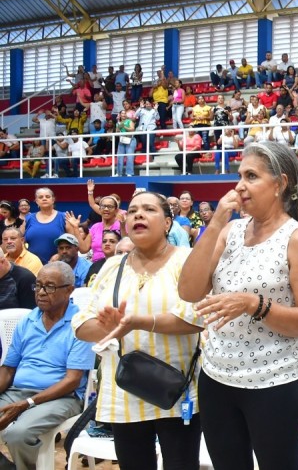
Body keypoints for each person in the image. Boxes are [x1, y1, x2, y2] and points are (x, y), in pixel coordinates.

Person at [178, 142, 298, 470]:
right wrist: (216, 223)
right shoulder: (229, 231)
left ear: (280, 184)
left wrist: (253, 303)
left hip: (274, 383)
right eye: (240, 175)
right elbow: (188, 290)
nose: (240, 185)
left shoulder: (297, 238)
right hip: (217, 379)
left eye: (251, 176)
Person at [73, 191, 204, 470]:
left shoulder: (187, 260)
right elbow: (81, 324)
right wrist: (107, 328)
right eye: (132, 211)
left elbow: (196, 318)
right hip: (124, 390)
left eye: (148, 209)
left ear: (167, 223)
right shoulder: (112, 267)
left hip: (176, 389)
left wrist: (136, 322)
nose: (138, 215)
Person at [0, 261, 94, 470]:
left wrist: (28, 403)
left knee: (17, 434)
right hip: (17, 392)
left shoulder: (80, 324)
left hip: (62, 397)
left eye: (50, 287)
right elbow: (8, 369)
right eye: (38, 285)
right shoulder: (28, 320)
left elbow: (72, 380)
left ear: (69, 290)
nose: (41, 292)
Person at [65, 196, 121, 263]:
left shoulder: (122, 225)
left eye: (110, 206)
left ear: (116, 210)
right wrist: (76, 227)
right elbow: (83, 249)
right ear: (99, 209)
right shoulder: (95, 227)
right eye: (103, 206)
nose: (106, 209)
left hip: (116, 264)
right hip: (96, 265)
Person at [24, 188, 66, 264]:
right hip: (32, 264)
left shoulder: (64, 217)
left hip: (58, 264)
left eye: (47, 196)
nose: (44, 199)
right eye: (40, 197)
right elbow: (20, 241)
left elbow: (73, 242)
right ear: (36, 201)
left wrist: (60, 255)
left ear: (53, 200)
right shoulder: (28, 218)